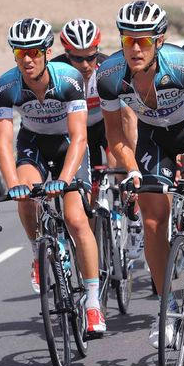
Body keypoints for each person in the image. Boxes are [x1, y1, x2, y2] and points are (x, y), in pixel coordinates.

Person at [97, 0, 184, 348]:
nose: (135, 48)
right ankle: (167, 307)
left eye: (143, 41)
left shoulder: (182, 65)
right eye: (128, 39)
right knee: (152, 221)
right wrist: (132, 169)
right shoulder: (109, 76)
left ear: (159, 40)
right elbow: (115, 136)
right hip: (153, 136)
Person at [0, 18, 105, 335]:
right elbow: (3, 142)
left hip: (69, 144)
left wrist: (65, 180)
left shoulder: (69, 79)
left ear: (47, 52)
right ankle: (36, 253)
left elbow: (80, 136)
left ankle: (93, 303)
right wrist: (13, 184)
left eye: (33, 52)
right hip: (33, 143)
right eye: (20, 53)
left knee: (76, 219)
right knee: (26, 197)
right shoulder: (5, 86)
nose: (27, 59)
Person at [53, 18, 143, 259]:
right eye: (77, 58)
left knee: (120, 166)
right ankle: (92, 249)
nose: (85, 65)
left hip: (105, 126)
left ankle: (133, 215)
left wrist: (131, 163)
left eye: (90, 57)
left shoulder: (109, 69)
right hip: (76, 132)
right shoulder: (57, 73)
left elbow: (128, 117)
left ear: (97, 51)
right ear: (66, 54)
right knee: (88, 198)